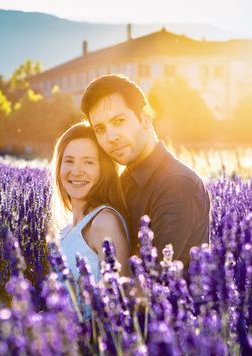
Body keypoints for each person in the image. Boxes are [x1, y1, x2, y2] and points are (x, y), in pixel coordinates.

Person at [80, 74, 210, 268]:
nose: (110, 136)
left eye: (118, 121)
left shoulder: (177, 184)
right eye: (100, 129)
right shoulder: (123, 181)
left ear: (146, 119)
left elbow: (156, 279)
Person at [51, 121, 130, 281]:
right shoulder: (68, 229)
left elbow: (118, 298)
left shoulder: (104, 222)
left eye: (88, 162)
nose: (76, 171)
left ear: (104, 171)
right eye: (69, 161)